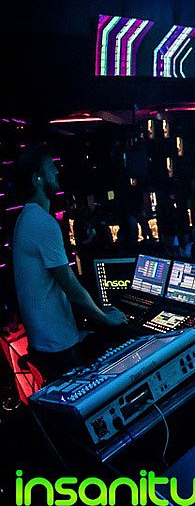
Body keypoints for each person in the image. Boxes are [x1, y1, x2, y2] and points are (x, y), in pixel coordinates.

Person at [11, 146, 128, 382]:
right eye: (50, 167)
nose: (56, 171)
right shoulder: (42, 223)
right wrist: (106, 319)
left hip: (47, 343)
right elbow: (70, 286)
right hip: (58, 348)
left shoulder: (26, 218)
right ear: (38, 178)